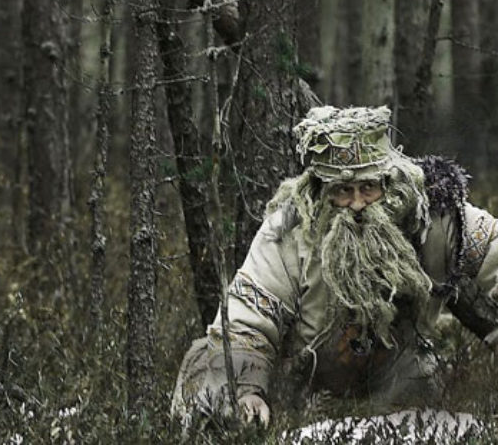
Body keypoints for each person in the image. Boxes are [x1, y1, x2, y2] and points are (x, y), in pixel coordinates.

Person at [171, 105, 498, 427]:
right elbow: (244, 327)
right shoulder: (288, 231)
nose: (357, 204)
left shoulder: (434, 217)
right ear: (321, 192)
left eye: (368, 188)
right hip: (309, 401)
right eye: (343, 191)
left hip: (413, 396)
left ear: (390, 184)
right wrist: (243, 393)